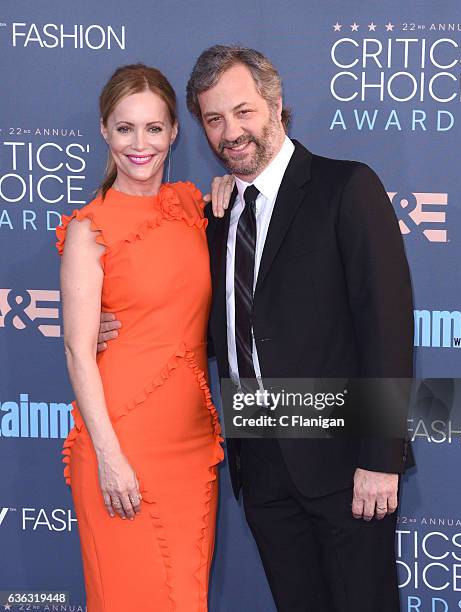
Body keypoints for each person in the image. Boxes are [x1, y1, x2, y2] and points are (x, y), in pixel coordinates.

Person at [100, 46, 414, 611]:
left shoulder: (345, 188)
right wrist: (115, 327)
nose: (231, 132)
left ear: (275, 106)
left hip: (345, 462)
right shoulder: (216, 216)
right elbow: (190, 319)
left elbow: (386, 330)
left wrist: (380, 457)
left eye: (243, 112)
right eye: (214, 119)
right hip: (261, 464)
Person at [56, 63, 224, 612]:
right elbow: (78, 350)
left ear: (175, 132)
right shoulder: (90, 228)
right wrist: (109, 456)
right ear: (104, 130)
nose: (139, 143)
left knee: (185, 599)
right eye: (125, 128)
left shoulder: (190, 207)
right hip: (120, 442)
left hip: (192, 447)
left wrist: (229, 188)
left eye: (153, 128)